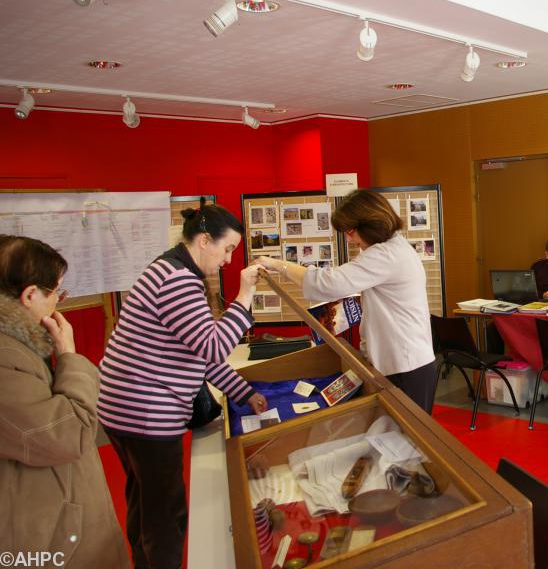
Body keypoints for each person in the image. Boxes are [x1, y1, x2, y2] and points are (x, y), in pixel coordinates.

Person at [99, 201, 268, 569]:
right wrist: (243, 298)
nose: (228, 260)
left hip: (124, 409)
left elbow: (198, 354)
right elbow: (212, 345)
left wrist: (244, 392)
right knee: (165, 517)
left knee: (145, 504)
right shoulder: (178, 279)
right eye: (227, 250)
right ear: (205, 240)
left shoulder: (168, 268)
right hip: (145, 414)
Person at [0, 235, 128, 568]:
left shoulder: (18, 344)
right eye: (55, 291)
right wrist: (69, 355)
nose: (58, 301)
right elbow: (70, 433)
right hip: (49, 536)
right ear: (30, 295)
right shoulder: (6, 358)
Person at [253, 189, 437, 414]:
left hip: (407, 367)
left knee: (408, 442)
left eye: (350, 231)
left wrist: (277, 265)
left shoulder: (386, 254)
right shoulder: (393, 248)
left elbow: (327, 284)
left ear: (370, 224)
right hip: (404, 363)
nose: (349, 239)